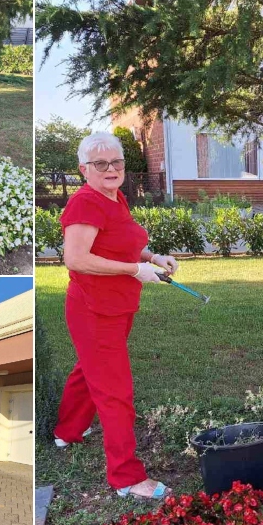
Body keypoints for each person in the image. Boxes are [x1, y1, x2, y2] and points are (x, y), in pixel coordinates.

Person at [54, 131, 178, 500]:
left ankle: (67, 431)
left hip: (116, 306)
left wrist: (152, 258)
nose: (111, 169)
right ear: (83, 169)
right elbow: (75, 258)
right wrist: (132, 271)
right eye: (101, 163)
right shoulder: (84, 203)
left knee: (88, 370)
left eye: (117, 162)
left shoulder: (115, 196)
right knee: (115, 392)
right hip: (94, 309)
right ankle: (126, 477)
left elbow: (123, 242)